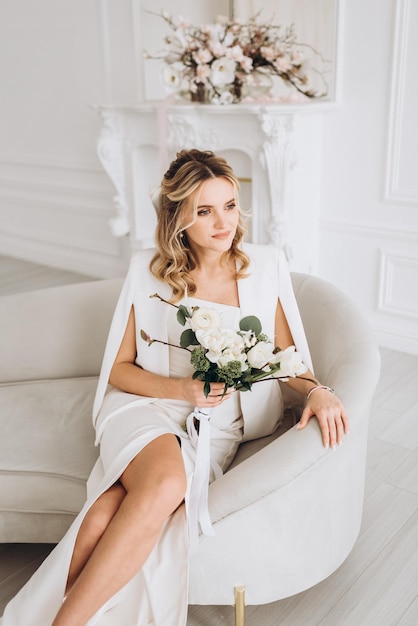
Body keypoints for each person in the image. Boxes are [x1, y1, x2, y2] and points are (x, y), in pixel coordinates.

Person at [1, 149, 349, 626]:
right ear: (180, 217)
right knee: (165, 484)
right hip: (144, 408)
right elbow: (119, 371)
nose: (222, 222)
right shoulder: (151, 271)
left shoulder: (265, 267)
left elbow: (285, 362)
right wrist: (182, 390)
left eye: (229, 205)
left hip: (216, 430)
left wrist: (316, 391)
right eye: (204, 210)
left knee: (106, 515)